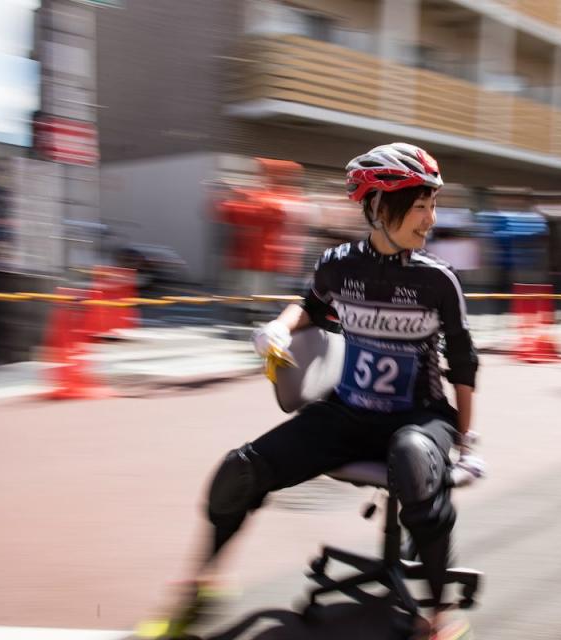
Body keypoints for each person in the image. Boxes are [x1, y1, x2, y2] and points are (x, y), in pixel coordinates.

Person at [138, 143, 484, 640]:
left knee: (411, 455)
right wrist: (280, 328)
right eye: (420, 205)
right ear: (377, 208)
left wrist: (464, 439)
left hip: (420, 418)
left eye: (433, 204)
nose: (431, 218)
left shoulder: (438, 281)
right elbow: (310, 304)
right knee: (239, 471)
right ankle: (199, 587)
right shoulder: (338, 265)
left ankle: (440, 614)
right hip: (348, 414)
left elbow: (464, 361)